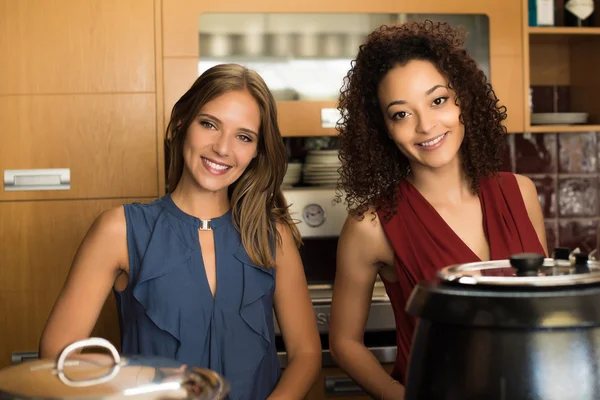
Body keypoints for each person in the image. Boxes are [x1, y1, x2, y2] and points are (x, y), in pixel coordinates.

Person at [39, 63, 321, 400]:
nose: (223, 148)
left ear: (257, 151)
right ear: (182, 123)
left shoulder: (272, 236)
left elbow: (306, 353)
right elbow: (58, 351)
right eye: (209, 124)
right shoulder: (119, 230)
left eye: (243, 136)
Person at [329, 20, 547, 399]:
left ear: (464, 98)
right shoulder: (371, 225)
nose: (426, 125)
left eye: (438, 100)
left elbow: (543, 308)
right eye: (401, 113)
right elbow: (344, 342)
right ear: (383, 127)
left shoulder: (520, 193)